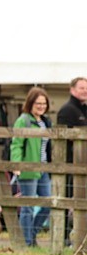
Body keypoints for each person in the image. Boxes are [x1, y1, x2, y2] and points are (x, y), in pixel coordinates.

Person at [11, 87, 53, 247]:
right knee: (27, 207)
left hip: (43, 169)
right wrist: (17, 164)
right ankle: (26, 242)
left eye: (44, 103)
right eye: (38, 103)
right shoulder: (24, 120)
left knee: (47, 203)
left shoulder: (46, 121)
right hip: (28, 168)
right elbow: (16, 144)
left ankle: (31, 234)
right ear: (30, 103)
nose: (41, 106)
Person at [56, 77, 87, 245]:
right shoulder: (67, 110)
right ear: (72, 90)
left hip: (82, 165)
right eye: (81, 88)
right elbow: (63, 141)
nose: (85, 91)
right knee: (65, 200)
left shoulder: (83, 109)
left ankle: (77, 237)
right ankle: (62, 238)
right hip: (69, 165)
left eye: (86, 88)